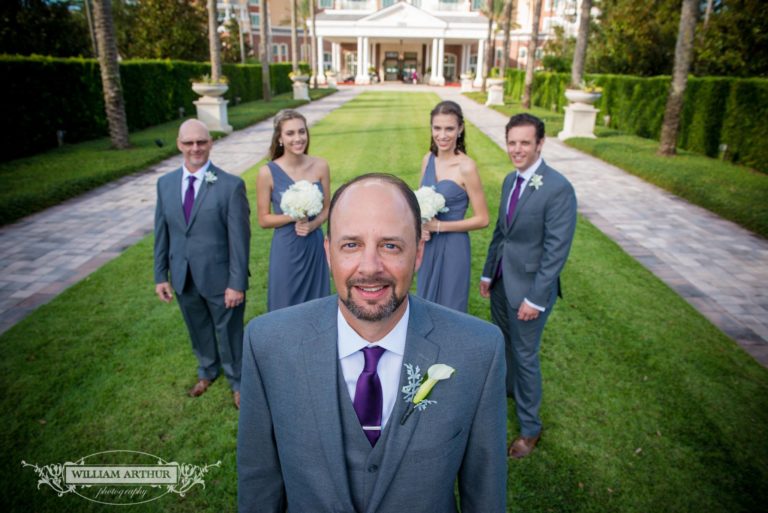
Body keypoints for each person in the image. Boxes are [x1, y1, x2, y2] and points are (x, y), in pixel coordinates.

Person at [238, 174, 507, 513]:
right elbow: (258, 481)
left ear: (419, 252)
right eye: (351, 245)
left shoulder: (478, 351)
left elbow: (485, 493)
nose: (369, 268)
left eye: (390, 245)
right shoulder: (268, 345)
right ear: (328, 252)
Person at [480, 113, 577, 459]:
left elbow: (556, 251)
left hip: (530, 291)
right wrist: (488, 273)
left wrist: (535, 299)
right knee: (504, 343)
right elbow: (502, 234)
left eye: (525, 142)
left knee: (524, 356)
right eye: (512, 142)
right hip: (504, 281)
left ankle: (530, 429)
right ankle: (508, 391)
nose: (517, 149)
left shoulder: (558, 188)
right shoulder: (510, 180)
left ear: (540, 144)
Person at [154, 119, 250, 409]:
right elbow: (162, 232)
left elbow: (240, 241)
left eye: (201, 142)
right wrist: (161, 275)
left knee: (230, 332)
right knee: (197, 328)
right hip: (183, 275)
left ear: (210, 143)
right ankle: (207, 370)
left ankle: (238, 381)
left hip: (221, 278)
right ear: (179, 144)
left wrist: (237, 283)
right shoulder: (165, 184)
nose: (195, 148)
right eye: (188, 143)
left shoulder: (231, 186)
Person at [416, 101, 489, 312]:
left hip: (454, 247)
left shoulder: (466, 166)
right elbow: (420, 201)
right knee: (425, 305)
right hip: (428, 246)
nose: (442, 135)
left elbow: (483, 219)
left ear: (460, 129)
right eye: (437, 128)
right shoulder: (427, 159)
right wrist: (422, 227)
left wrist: (438, 227)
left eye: (449, 128)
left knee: (450, 307)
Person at [257, 109, 330, 311]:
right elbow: (263, 219)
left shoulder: (321, 166)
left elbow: (327, 208)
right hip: (286, 249)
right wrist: (293, 216)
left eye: (301, 132)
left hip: (313, 244)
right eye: (290, 134)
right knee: (285, 305)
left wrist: (314, 224)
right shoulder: (267, 173)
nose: (298, 138)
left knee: (318, 306)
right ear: (279, 138)